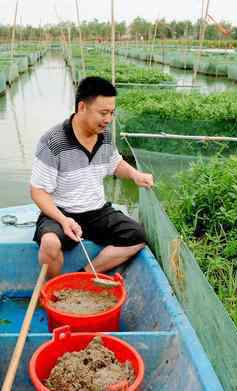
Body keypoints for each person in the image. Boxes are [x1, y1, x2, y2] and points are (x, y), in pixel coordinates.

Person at [30, 76, 154, 278]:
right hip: (61, 211)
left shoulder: (104, 136)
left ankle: (85, 275)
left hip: (97, 211)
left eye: (112, 113)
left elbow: (115, 164)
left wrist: (134, 174)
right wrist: (63, 220)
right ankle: (53, 287)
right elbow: (38, 191)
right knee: (50, 244)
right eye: (103, 113)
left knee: (138, 237)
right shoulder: (53, 141)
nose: (108, 119)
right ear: (81, 107)